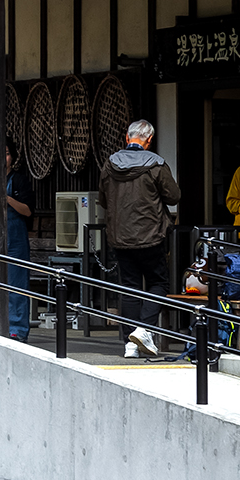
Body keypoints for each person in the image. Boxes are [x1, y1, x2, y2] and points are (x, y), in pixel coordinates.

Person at [97, 119, 181, 358]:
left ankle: (130, 344)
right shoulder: (155, 165)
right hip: (151, 236)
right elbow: (174, 197)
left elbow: (103, 200)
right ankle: (144, 329)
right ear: (149, 140)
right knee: (158, 284)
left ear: (127, 138)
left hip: (120, 237)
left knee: (130, 287)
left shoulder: (110, 164)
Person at [4, 151, 34, 343]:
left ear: (12, 157)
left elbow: (28, 210)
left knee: (17, 284)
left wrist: (5, 198)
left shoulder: (19, 180)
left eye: (7, 153)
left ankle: (17, 328)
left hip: (15, 234)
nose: (3, 157)